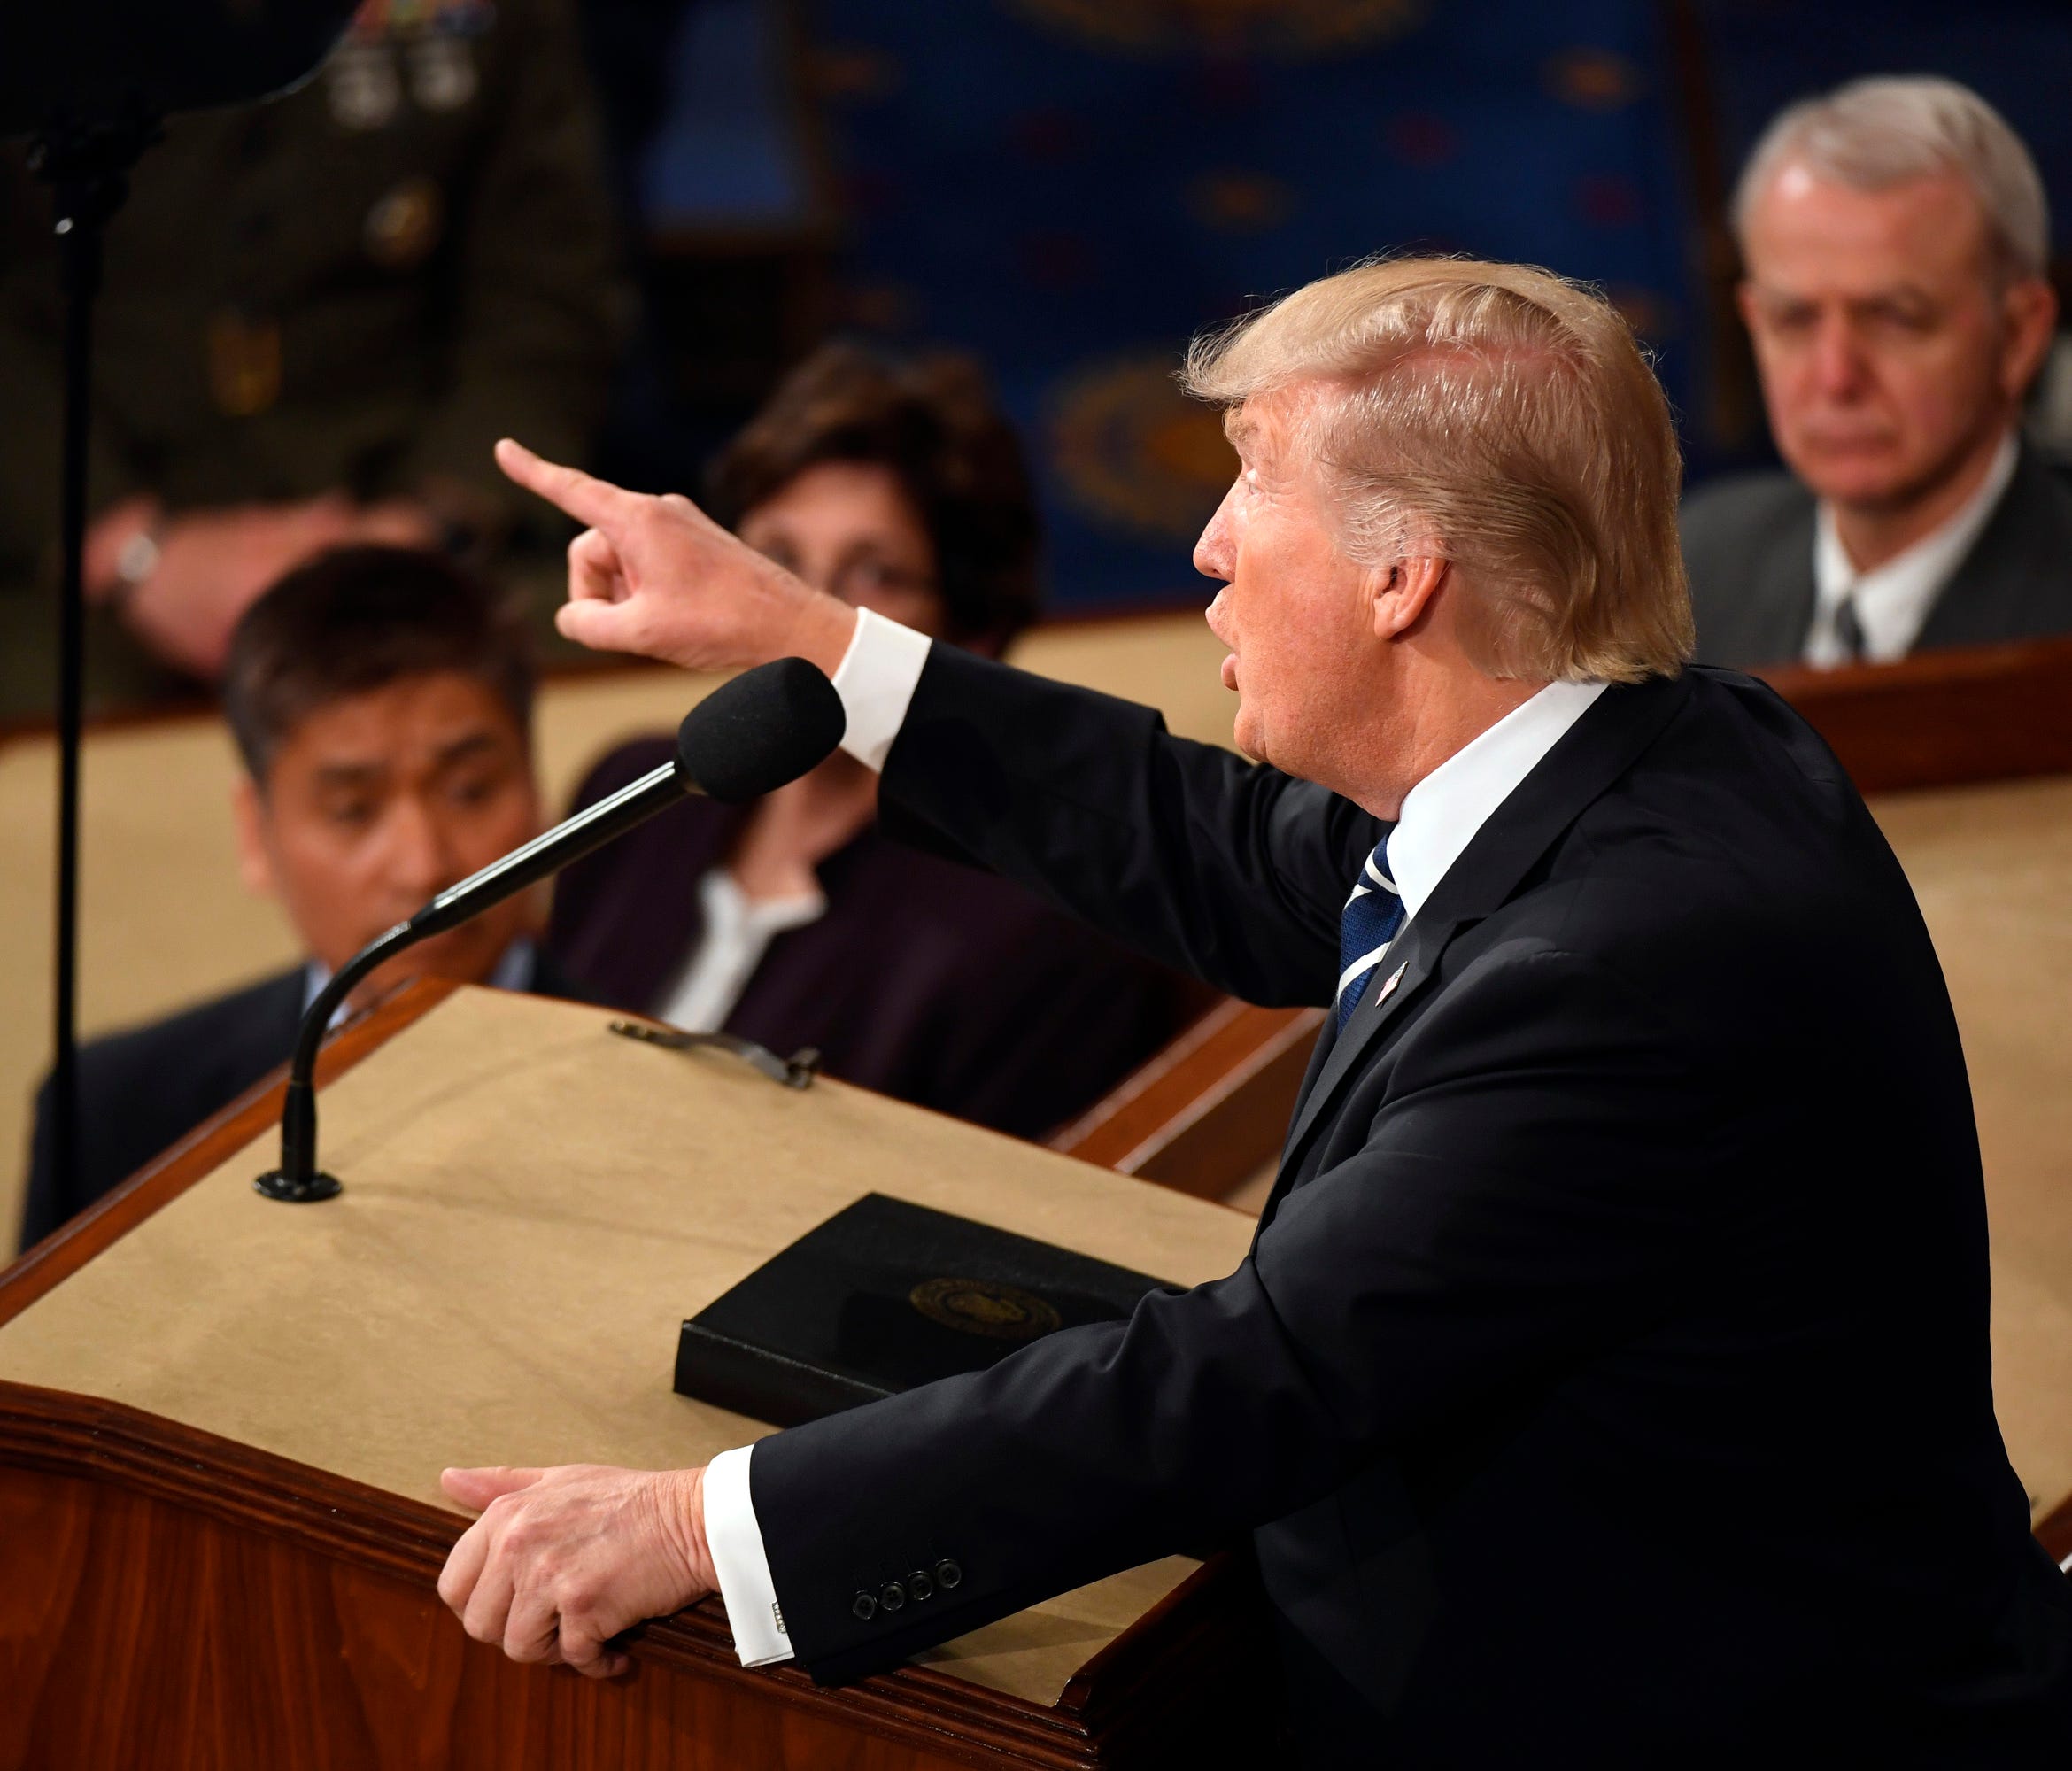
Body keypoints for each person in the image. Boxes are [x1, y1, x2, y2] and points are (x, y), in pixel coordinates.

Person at [436, 260, 2072, 1764]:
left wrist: (693, 1533)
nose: (1205, 545)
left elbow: (1247, 1382)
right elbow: (1218, 850)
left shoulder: (1627, 973)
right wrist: (801, 635)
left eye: (1254, 484)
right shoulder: (1649, 739)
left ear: (1401, 576)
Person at [545, 343, 1204, 1139]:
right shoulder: (639, 788)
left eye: (875, 574)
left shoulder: (1034, 920)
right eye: (777, 561)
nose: (800, 608)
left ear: (975, 630)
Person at [0, 0, 624, 716]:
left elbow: (547, 293)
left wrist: (425, 520)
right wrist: (127, 548)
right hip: (75, 528)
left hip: (407, 512)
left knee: (597, 673)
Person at [18, 545, 588, 1251]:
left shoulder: (668, 1085)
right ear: (256, 834)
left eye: (471, 792)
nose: (424, 865)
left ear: (535, 792)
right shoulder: (115, 1108)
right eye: (353, 809)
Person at [1682, 76, 2072, 669]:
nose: (1837, 377)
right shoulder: (1694, 569)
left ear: (2019, 336)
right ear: (1752, 321)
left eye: (1895, 318)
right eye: (1795, 319)